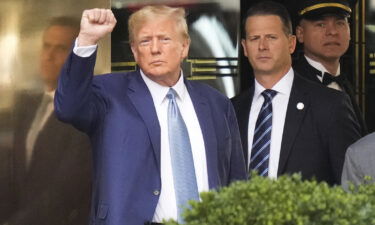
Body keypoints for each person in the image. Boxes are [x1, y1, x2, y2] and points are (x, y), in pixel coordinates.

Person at [54, 6, 247, 225]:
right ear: (135, 52)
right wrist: (87, 39)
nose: (155, 49)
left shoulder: (216, 103)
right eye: (145, 41)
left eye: (164, 39)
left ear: (184, 47)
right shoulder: (109, 94)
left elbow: (236, 180)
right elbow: (68, 108)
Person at [231, 1, 360, 185]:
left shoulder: (331, 105)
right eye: (254, 38)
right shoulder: (232, 109)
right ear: (244, 47)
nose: (262, 46)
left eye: (271, 37)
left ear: (291, 43)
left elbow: (352, 183)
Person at [7, 17, 92, 225]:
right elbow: (13, 174)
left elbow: (63, 192)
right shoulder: (27, 106)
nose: (49, 56)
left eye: (60, 49)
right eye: (46, 46)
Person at [292, 0, 366, 135]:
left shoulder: (349, 82)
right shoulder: (290, 85)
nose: (332, 32)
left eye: (340, 23)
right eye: (321, 24)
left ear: (349, 31)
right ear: (300, 34)